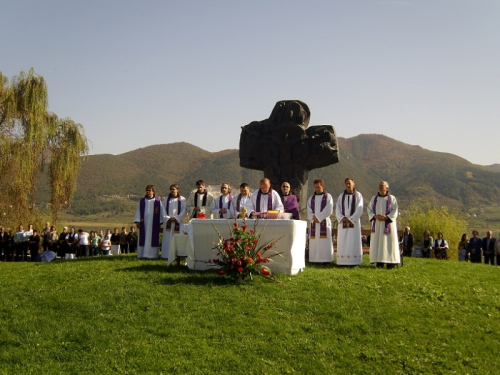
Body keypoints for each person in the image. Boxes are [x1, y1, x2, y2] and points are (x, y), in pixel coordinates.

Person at [367, 181, 400, 269]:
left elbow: (395, 210)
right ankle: (379, 262)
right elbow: (369, 209)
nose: (380, 187)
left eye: (382, 186)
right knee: (378, 243)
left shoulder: (392, 198)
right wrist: (375, 216)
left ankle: (390, 262)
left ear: (387, 188)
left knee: (389, 243)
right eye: (379, 186)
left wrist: (387, 217)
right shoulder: (374, 199)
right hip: (377, 224)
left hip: (388, 224)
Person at [335, 177, 364, 266]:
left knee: (353, 240)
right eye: (346, 184)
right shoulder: (341, 196)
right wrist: (341, 217)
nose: (348, 185)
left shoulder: (358, 195)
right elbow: (338, 208)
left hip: (354, 223)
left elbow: (360, 208)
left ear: (353, 184)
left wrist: (351, 219)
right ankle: (342, 261)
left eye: (349, 183)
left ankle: (354, 261)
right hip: (343, 222)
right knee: (343, 241)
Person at [306, 178, 334, 263]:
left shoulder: (328, 197)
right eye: (315, 187)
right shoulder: (311, 198)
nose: (317, 189)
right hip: (314, 223)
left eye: (318, 187)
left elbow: (329, 208)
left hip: (324, 222)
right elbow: (308, 209)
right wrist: (313, 217)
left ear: (323, 186)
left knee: (324, 242)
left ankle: (326, 260)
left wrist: (319, 217)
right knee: (314, 242)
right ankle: (314, 259)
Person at [134, 184, 163, 259]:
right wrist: (137, 221)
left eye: (150, 190)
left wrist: (160, 222)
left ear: (153, 191)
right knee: (143, 237)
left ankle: (153, 255)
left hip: (154, 223)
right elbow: (138, 211)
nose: (148, 192)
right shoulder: (142, 201)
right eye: (147, 190)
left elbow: (161, 212)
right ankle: (142, 254)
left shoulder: (157, 201)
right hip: (144, 223)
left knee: (152, 238)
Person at [162, 184, 187, 259]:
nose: (172, 191)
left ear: (177, 190)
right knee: (168, 239)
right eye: (171, 189)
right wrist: (168, 218)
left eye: (174, 189)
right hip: (168, 223)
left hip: (178, 223)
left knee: (178, 239)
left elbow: (184, 210)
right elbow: (162, 210)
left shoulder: (182, 199)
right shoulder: (166, 199)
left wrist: (176, 218)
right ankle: (166, 255)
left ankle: (178, 255)